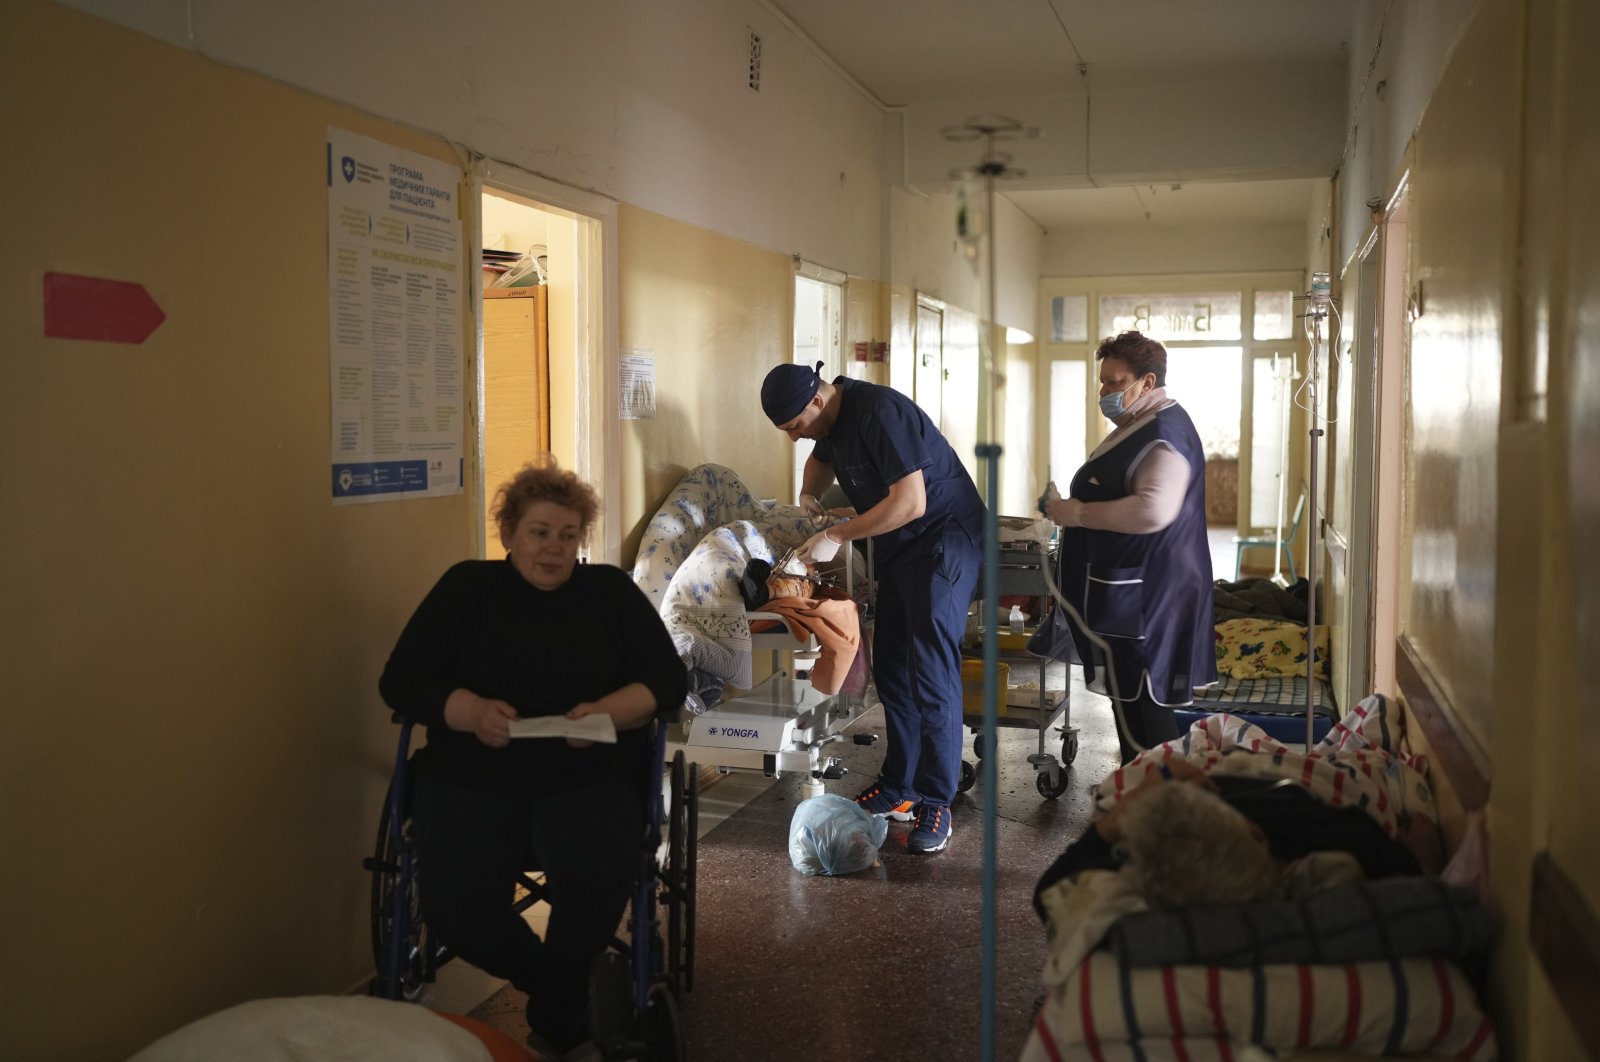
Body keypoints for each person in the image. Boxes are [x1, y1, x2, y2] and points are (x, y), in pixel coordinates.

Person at [378, 459, 687, 1059]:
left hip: (587, 772)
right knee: (456, 904)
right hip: (472, 773)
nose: (554, 549)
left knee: (597, 872)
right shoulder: (467, 588)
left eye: (569, 535)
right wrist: (468, 711)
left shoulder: (609, 594)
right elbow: (401, 681)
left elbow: (666, 681)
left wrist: (605, 713)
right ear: (510, 533)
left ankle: (560, 1003)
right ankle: (560, 991)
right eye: (540, 532)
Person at [761, 360, 985, 854]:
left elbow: (911, 502)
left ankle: (936, 800)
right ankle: (899, 785)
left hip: (945, 539)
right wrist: (807, 496)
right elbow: (820, 458)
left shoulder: (878, 411)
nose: (796, 438)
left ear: (817, 401)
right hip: (904, 546)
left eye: (795, 426)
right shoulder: (831, 421)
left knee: (929, 667)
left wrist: (835, 533)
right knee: (892, 664)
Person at [1041, 330, 1216, 763]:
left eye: (1115, 383)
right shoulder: (1138, 424)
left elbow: (1153, 509)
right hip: (1130, 588)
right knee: (1128, 700)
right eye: (1103, 382)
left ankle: (1157, 806)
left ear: (1148, 383)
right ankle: (1137, 788)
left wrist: (1077, 514)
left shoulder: (1164, 432)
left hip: (1147, 595)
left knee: (1144, 704)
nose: (1105, 392)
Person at [1032, 759, 1424, 916]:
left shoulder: (1141, 875)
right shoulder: (1311, 828)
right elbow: (1403, 860)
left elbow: (1049, 894)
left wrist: (1117, 816)